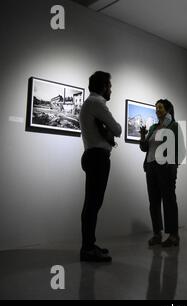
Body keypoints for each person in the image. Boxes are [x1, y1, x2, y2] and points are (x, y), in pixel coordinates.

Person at [79, 71, 122, 262]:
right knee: (93, 204)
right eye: (110, 86)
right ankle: (87, 249)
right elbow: (118, 129)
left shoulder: (89, 103)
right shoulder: (97, 103)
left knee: (92, 203)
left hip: (91, 155)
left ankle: (89, 244)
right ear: (103, 86)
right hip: (98, 157)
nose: (111, 89)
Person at [140, 99, 184, 247]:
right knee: (153, 201)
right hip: (151, 167)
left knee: (169, 201)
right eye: (156, 108)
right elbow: (144, 148)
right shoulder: (153, 128)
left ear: (168, 109)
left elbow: (181, 150)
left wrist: (173, 166)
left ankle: (173, 235)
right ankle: (157, 234)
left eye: (160, 107)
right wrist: (142, 135)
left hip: (165, 167)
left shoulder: (173, 126)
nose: (157, 110)